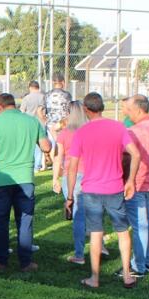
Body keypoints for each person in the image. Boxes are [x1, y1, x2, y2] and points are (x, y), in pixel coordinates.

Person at [64, 92, 141, 289]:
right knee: (122, 231)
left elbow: (72, 167)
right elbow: (136, 154)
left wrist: (70, 195)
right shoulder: (118, 127)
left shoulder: (82, 132)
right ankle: (127, 275)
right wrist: (130, 180)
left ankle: (95, 278)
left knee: (96, 233)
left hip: (91, 190)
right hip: (115, 188)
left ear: (86, 109)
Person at [0, 93, 51, 272]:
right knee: (25, 221)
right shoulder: (31, 121)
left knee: (1, 221)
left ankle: (1, 261)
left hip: (1, 179)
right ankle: (26, 262)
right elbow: (46, 147)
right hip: (25, 179)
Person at [122, 95, 149, 276]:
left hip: (137, 183)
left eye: (129, 110)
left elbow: (126, 157)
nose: (127, 113)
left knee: (140, 225)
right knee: (147, 223)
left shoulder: (133, 132)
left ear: (139, 110)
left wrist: (126, 180)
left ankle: (138, 266)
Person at [52, 101, 89, 264]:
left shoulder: (64, 133)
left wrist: (55, 178)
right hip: (90, 175)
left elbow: (58, 157)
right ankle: (99, 245)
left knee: (77, 216)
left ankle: (79, 254)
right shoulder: (90, 131)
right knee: (93, 213)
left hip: (71, 175)